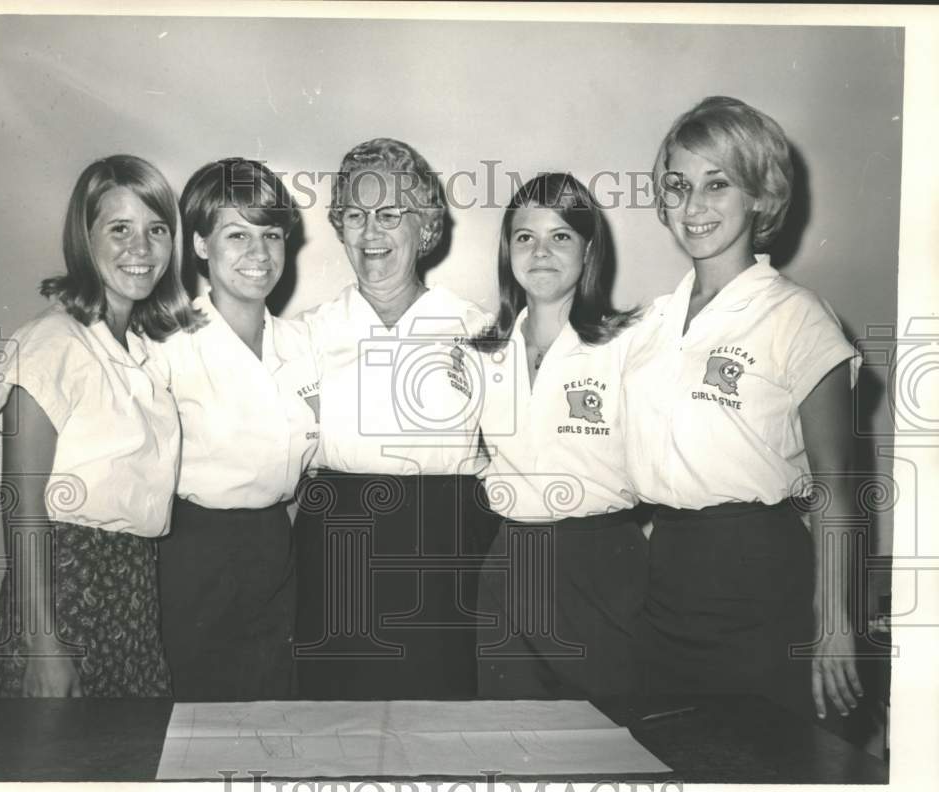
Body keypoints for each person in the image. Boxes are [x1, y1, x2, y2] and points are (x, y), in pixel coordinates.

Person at [621, 96, 864, 719]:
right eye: (678, 185)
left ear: (759, 195)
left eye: (717, 184)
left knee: (758, 769)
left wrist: (834, 626)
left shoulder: (796, 315)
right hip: (664, 572)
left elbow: (835, 488)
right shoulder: (651, 322)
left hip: (758, 575)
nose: (693, 206)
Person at [0, 155, 199, 697]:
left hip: (132, 594)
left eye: (156, 230)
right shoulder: (51, 342)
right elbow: (23, 508)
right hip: (63, 598)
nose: (141, 249)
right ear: (85, 236)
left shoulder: (146, 353)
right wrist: (42, 645)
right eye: (119, 228)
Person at [293, 137, 494, 700]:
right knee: (334, 723)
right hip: (337, 541)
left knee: (440, 719)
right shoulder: (308, 331)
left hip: (444, 544)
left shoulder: (477, 329)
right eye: (355, 216)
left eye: (389, 215)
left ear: (425, 228)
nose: (370, 233)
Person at [472, 173, 646, 701]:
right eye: (525, 237)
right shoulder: (481, 351)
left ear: (588, 248)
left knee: (612, 743)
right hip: (510, 561)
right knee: (511, 742)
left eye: (561, 236)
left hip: (600, 561)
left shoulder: (628, 343)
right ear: (508, 251)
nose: (541, 252)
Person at [153, 158, 319, 701]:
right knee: (195, 728)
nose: (258, 253)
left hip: (278, 551)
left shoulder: (302, 346)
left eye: (271, 234)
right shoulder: (166, 344)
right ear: (201, 245)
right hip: (192, 553)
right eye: (236, 234)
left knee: (274, 722)